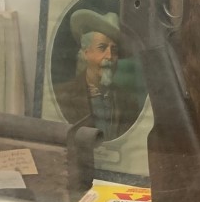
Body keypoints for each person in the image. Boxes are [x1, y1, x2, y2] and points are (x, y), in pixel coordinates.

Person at [53, 9, 141, 139]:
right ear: (86, 53)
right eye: (102, 48)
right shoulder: (61, 96)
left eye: (114, 50)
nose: (109, 56)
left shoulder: (129, 103)